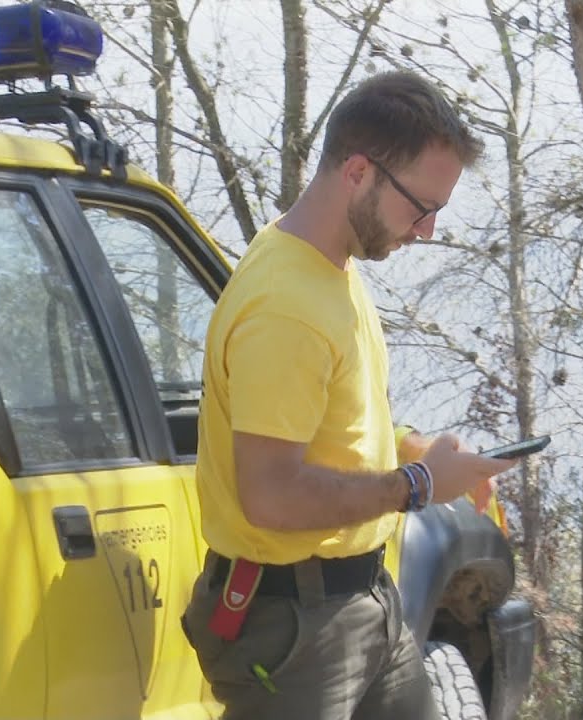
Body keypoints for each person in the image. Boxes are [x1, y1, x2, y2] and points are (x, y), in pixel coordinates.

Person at [181, 70, 518, 719]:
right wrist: (417, 484)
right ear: (358, 172)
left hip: (363, 602)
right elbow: (271, 494)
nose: (427, 230)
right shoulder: (287, 307)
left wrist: (409, 449)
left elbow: (326, 430)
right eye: (421, 206)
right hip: (293, 629)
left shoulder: (330, 270)